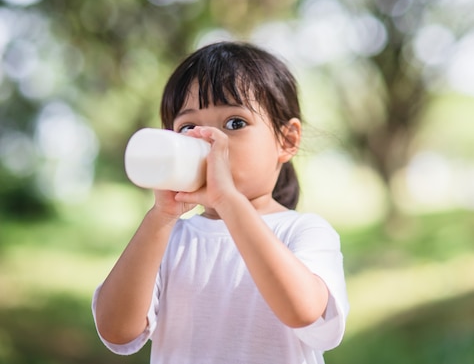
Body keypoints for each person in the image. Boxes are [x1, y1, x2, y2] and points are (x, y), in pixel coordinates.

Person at [91, 41, 349, 364]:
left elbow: (304, 311)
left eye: (235, 123)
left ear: (287, 140)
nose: (209, 140)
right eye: (188, 127)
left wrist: (230, 202)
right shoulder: (168, 239)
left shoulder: (304, 231)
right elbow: (116, 329)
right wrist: (159, 218)